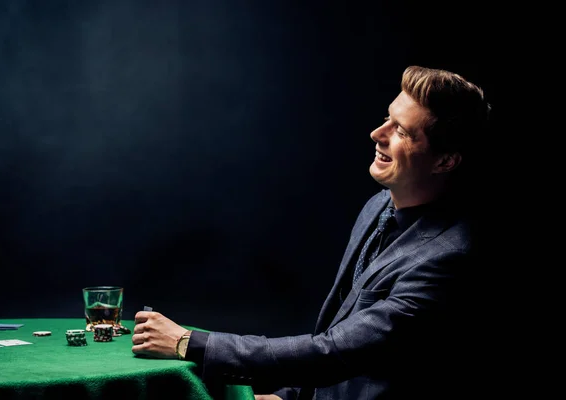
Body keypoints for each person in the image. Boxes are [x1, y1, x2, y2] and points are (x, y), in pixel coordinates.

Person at [131, 65, 492, 399]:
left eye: (400, 130)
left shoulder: (451, 257)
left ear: (445, 161)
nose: (376, 134)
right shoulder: (377, 207)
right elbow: (344, 346)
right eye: (387, 119)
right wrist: (287, 396)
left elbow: (334, 352)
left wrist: (187, 343)